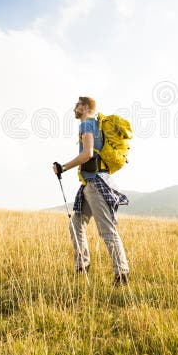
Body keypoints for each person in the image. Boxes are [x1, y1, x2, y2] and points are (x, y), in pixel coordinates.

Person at [53, 96, 130, 285]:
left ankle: (122, 273)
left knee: (106, 230)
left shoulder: (87, 124)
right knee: (76, 223)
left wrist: (63, 167)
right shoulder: (95, 125)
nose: (75, 108)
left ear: (85, 107)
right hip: (91, 183)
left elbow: (87, 154)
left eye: (77, 105)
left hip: (95, 183)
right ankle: (82, 266)